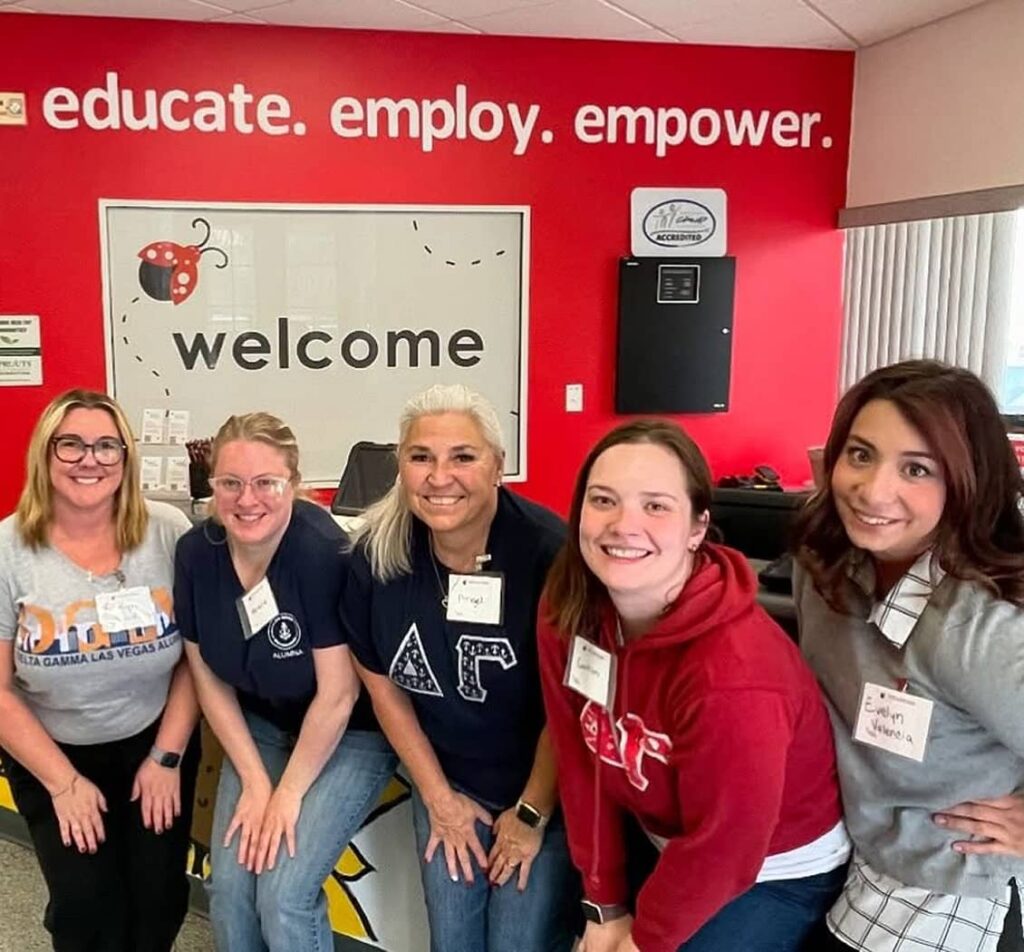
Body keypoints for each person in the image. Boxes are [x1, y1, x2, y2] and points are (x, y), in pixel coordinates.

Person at [538, 419, 849, 952]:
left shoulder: (735, 674)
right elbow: (581, 755)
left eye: (655, 506)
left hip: (772, 869)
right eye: (603, 500)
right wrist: (604, 906)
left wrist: (643, 941)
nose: (623, 525)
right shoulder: (568, 611)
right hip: (665, 837)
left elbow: (725, 848)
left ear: (698, 527)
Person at [794, 359, 1024, 952]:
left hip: (950, 886)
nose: (872, 491)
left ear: (965, 482)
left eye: (916, 469)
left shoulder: (976, 630)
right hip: (857, 855)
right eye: (861, 454)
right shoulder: (825, 571)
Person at [341, 384, 578, 952]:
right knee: (452, 940)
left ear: (497, 465)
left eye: (463, 457)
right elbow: (383, 688)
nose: (438, 476)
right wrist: (440, 800)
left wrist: (530, 813)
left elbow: (569, 705)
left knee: (518, 942)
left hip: (544, 793)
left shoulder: (550, 554)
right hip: (449, 786)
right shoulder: (377, 554)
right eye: (420, 456)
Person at [175, 412, 396, 952]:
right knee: (227, 886)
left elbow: (339, 694)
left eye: (266, 483)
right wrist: (254, 781)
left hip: (350, 730)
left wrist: (287, 794)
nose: (246, 499)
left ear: (294, 486)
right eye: (230, 483)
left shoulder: (321, 553)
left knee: (283, 893)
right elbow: (206, 674)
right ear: (212, 485)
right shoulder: (196, 554)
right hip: (263, 722)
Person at [0, 388, 200, 952]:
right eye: (72, 444)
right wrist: (63, 784)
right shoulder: (8, 550)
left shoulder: (167, 531)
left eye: (107, 446)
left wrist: (167, 757)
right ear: (45, 453)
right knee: (87, 909)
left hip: (155, 741)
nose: (90, 459)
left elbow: (196, 661)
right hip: (52, 749)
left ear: (126, 458)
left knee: (158, 900)